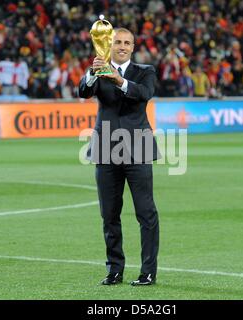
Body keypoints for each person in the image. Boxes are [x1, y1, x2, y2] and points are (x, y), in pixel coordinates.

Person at [78, 28, 160, 286]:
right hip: (106, 148)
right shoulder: (97, 70)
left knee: (146, 213)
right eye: (117, 42)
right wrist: (93, 73)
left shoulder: (145, 71)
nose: (122, 46)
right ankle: (114, 270)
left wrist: (117, 79)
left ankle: (148, 272)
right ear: (109, 44)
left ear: (133, 47)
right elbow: (83, 91)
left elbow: (144, 94)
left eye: (127, 43)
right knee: (109, 214)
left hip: (138, 147)